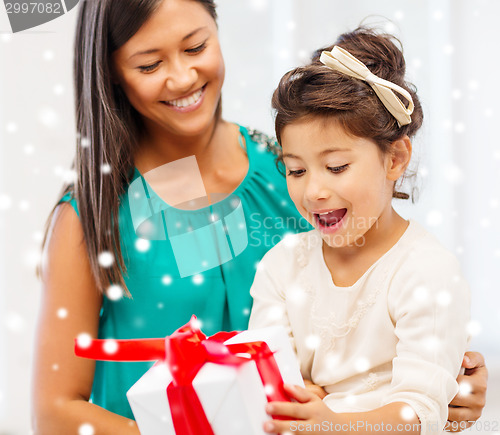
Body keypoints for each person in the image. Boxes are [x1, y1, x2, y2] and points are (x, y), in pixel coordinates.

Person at [30, 0, 487, 433]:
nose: (183, 76)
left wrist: (446, 379)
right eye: (150, 64)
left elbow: (372, 316)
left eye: (196, 47)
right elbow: (54, 414)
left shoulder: (289, 173)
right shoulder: (93, 217)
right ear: (111, 72)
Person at [248, 27, 484, 435]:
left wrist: (333, 422)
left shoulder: (426, 271)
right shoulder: (282, 266)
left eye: (336, 167)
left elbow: (421, 412)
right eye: (296, 170)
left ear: (395, 158)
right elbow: (264, 381)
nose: (314, 191)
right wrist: (300, 395)